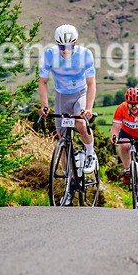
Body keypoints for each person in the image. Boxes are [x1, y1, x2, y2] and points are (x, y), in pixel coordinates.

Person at [38, 24, 98, 176]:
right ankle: (68, 179)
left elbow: (91, 83)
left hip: (80, 93)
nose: (65, 50)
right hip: (61, 96)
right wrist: (44, 106)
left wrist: (89, 109)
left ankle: (90, 154)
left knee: (80, 123)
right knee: (63, 139)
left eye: (69, 46)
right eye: (61, 46)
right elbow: (43, 82)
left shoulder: (85, 54)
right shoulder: (49, 55)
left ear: (75, 42)